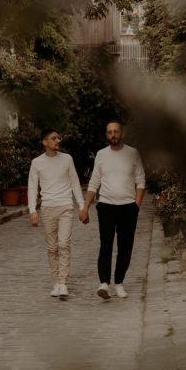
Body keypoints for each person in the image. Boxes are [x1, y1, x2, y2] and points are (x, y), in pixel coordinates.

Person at [80, 120, 145, 300]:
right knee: (106, 244)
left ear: (121, 133)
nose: (113, 135)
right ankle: (104, 283)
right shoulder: (101, 155)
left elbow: (141, 181)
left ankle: (119, 283)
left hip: (128, 207)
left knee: (125, 246)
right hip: (106, 206)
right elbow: (94, 182)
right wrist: (85, 207)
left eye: (116, 132)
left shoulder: (133, 153)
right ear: (106, 135)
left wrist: (136, 205)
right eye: (109, 132)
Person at [28, 128, 86, 299]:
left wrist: (82, 205)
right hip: (47, 208)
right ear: (45, 142)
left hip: (66, 206)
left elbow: (75, 183)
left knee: (64, 244)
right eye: (53, 138)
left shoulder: (67, 159)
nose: (57, 141)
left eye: (58, 138)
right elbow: (32, 187)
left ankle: (63, 283)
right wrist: (32, 210)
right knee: (52, 247)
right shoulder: (36, 163)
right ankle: (55, 283)